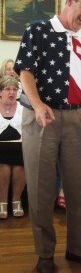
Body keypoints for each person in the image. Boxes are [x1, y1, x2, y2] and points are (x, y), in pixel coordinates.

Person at [14, 0, 81, 273]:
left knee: (77, 189)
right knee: (41, 189)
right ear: (70, 1)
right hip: (40, 118)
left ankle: (78, 249)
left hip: (76, 120)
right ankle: (45, 254)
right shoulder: (38, 30)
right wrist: (37, 104)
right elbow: (25, 71)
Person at [0, 76, 26, 219]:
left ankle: (16, 200)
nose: (11, 92)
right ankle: (2, 201)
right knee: (3, 164)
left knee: (19, 164)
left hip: (20, 149)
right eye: (7, 89)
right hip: (0, 150)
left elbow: (29, 130)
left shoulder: (23, 108)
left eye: (15, 89)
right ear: (0, 92)